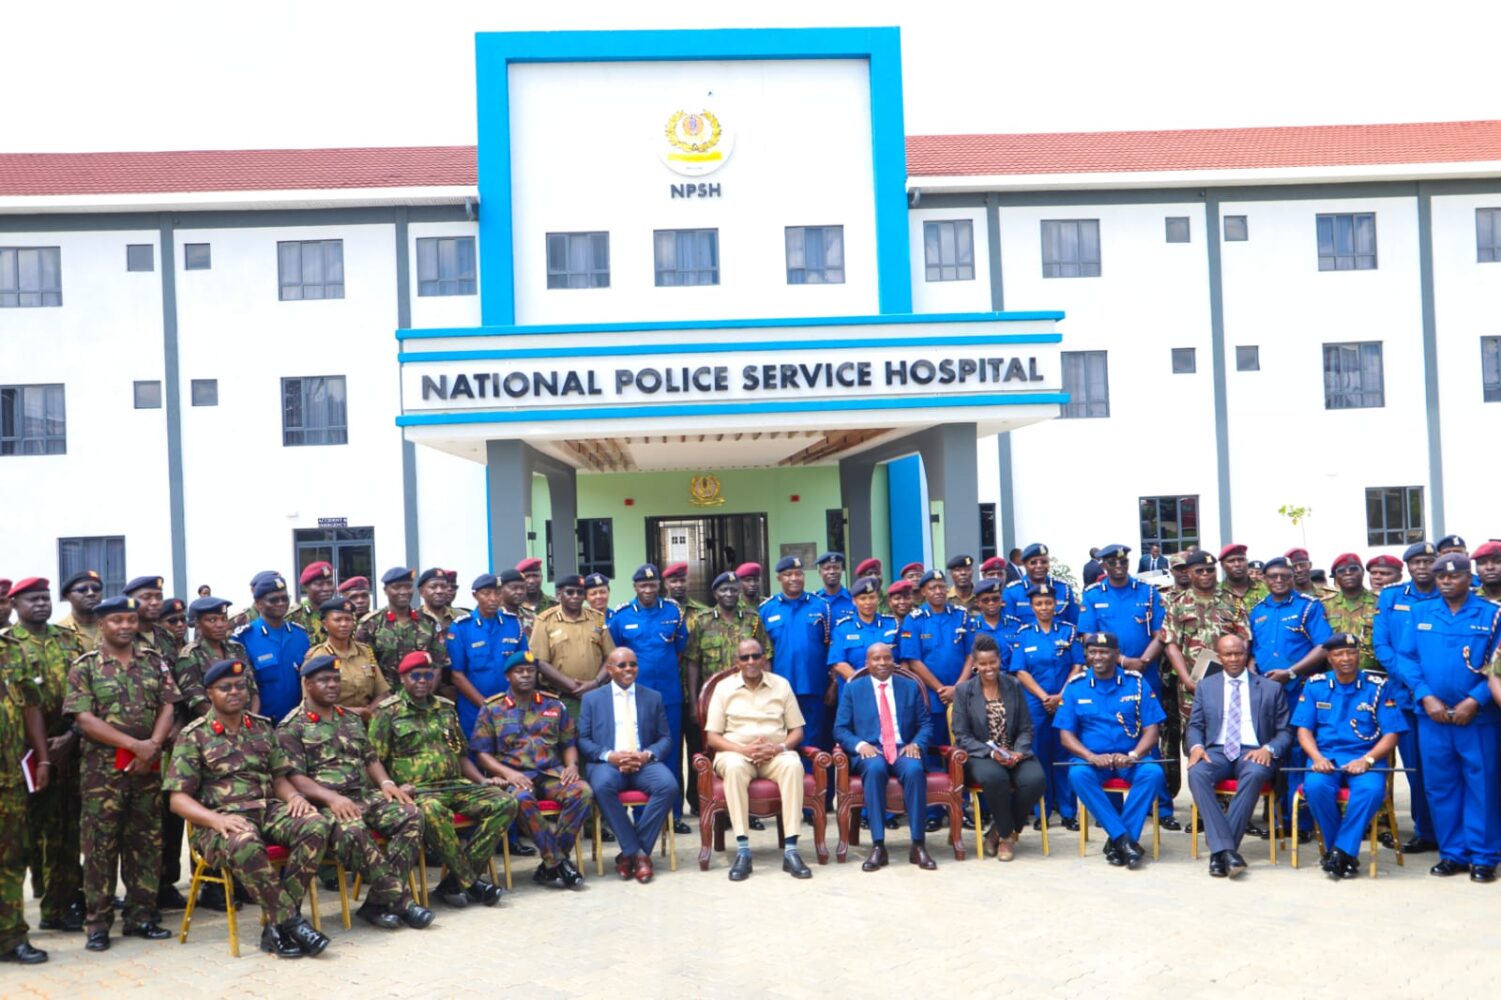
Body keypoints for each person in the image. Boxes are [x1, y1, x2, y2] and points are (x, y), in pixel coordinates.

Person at [164, 659, 332, 958]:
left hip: (266, 811)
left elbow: (279, 779)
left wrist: (294, 798)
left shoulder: (262, 727)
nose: (234, 692)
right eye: (225, 688)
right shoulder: (194, 735)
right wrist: (214, 819)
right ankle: (291, 921)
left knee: (316, 824)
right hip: (220, 821)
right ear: (209, 693)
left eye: (240, 687)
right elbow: (178, 800)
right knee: (245, 842)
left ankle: (276, 926)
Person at [276, 655, 433, 930]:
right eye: (324, 680)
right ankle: (401, 901)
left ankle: (376, 903)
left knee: (411, 815)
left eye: (336, 680)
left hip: (362, 795)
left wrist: (387, 785)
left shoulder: (350, 718)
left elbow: (371, 759)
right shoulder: (292, 726)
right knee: (352, 830)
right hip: (325, 804)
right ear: (308, 684)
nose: (332, 685)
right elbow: (295, 777)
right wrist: (332, 798)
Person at [64, 595, 180, 950]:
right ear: (102, 625)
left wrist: (154, 746)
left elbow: (168, 705)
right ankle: (97, 923)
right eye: (118, 620)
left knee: (145, 843)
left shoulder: (154, 661)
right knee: (100, 848)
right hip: (102, 774)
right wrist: (135, 746)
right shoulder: (84, 667)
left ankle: (141, 916)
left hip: (147, 769)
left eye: (130, 620)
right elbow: (84, 720)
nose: (126, 626)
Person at [368, 651, 512, 907]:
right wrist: (390, 786)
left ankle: (454, 883)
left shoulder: (445, 708)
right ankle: (470, 882)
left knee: (505, 803)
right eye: (416, 676)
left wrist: (481, 781)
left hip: (455, 785)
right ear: (403, 678)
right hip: (419, 791)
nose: (423, 681)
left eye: (428, 675)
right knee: (432, 812)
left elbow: (461, 754)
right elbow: (373, 759)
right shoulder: (387, 712)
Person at [1397, 554, 1501, 881]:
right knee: (1440, 787)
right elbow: (1407, 659)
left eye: (1454, 576)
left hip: (1477, 719)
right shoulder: (1420, 613)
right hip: (1433, 717)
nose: (1445, 580)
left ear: (1469, 578)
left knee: (1481, 786)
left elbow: (1497, 666)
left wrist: (1476, 700)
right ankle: (1453, 853)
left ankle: (1483, 856)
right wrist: (1426, 697)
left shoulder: (1492, 615)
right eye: (1441, 575)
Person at [3, 579, 85, 930]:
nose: (40, 604)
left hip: (64, 746)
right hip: (19, 753)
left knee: (64, 831)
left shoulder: (68, 640)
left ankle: (58, 906)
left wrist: (68, 739)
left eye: (44, 598)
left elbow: (82, 691)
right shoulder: (13, 644)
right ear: (16, 605)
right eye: (31, 599)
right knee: (22, 839)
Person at [472, 652, 592, 889]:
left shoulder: (554, 704)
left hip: (550, 773)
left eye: (530, 670)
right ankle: (558, 863)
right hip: (514, 776)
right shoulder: (492, 708)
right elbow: (481, 754)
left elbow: (568, 743)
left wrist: (571, 765)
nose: (526, 675)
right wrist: (508, 775)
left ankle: (551, 864)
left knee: (583, 792)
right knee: (522, 799)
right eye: (519, 671)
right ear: (508, 676)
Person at [1077, 544, 1176, 828]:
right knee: (1112, 732)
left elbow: (1161, 633)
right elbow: (1087, 636)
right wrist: (1122, 660)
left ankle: (1162, 809)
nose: (1118, 565)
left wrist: (1143, 660)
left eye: (1122, 560)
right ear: (1103, 566)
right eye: (1112, 562)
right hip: (1107, 676)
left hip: (1145, 674)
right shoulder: (1094, 595)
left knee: (1149, 737)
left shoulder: (1147, 591)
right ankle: (1113, 807)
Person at [1293, 634, 1406, 879]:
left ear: (1358, 655)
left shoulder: (1378, 686)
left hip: (1365, 758)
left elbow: (1391, 734)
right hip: (1327, 758)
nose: (1346, 658)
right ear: (1329, 658)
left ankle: (1338, 852)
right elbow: (1304, 731)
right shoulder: (1316, 685)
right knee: (1315, 788)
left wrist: (1368, 760)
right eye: (1338, 654)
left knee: (1372, 791)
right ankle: (1343, 852)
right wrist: (1317, 758)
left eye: (1351, 653)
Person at [1055, 633, 1167, 869]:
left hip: (1130, 758)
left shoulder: (1136, 683)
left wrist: (1134, 755)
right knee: (1077, 774)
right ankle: (1124, 839)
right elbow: (1066, 736)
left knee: (1153, 773)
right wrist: (1091, 757)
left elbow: (1152, 731)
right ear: (1086, 655)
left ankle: (1118, 843)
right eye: (1093, 652)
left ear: (1116, 655)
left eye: (1104, 652)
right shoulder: (1076, 687)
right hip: (1094, 759)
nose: (1098, 657)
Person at [703, 639, 812, 881]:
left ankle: (792, 850)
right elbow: (712, 737)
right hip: (736, 753)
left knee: (794, 765)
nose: (751, 661)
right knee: (732, 768)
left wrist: (778, 747)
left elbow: (797, 731)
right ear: (737, 662)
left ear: (764, 658)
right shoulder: (723, 688)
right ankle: (743, 850)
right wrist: (743, 750)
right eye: (745, 658)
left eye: (756, 656)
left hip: (775, 753)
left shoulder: (781, 685)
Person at [1185, 634, 1292, 878]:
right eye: (1228, 654)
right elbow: (1195, 725)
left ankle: (1219, 852)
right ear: (1219, 656)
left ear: (1247, 655)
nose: (1234, 659)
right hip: (1217, 751)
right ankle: (1228, 852)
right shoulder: (1206, 686)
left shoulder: (1270, 688)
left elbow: (1285, 732)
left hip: (1253, 751)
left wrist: (1269, 749)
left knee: (1255, 773)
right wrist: (1197, 748)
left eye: (1239, 654)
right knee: (1197, 772)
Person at [832, 642, 936, 871]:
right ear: (867, 663)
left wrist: (916, 743)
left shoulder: (909, 687)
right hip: (872, 749)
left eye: (886, 658)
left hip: (902, 748)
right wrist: (859, 745)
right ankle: (878, 845)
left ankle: (918, 845)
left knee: (914, 769)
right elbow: (840, 729)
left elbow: (926, 724)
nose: (882, 663)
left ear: (893, 661)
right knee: (875, 768)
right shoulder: (853, 689)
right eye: (876, 659)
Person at [578, 647, 678, 884]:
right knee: (601, 787)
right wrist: (610, 756)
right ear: (609, 669)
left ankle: (630, 853)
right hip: (609, 764)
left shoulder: (653, 697)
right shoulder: (592, 699)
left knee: (668, 786)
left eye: (633, 664)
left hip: (643, 762)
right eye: (622, 665)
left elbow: (666, 739)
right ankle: (639, 855)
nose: (628, 669)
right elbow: (583, 740)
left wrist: (646, 755)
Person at [1160, 550, 1249, 805]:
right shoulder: (1178, 604)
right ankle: (1203, 806)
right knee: (1196, 744)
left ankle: (1231, 804)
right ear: (1188, 573)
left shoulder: (1232, 601)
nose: (1206, 575)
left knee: (1230, 739)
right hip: (1193, 687)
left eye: (1210, 570)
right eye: (1199, 570)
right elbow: (1171, 643)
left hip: (1230, 685)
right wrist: (1186, 678)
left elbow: (1244, 641)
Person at [1371, 541, 1441, 853]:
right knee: (1415, 769)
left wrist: (1428, 683)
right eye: (1417, 562)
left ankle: (1449, 831)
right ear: (1408, 567)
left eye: (1428, 561)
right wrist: (1408, 677)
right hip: (1403, 695)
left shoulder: (1449, 594)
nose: (1423, 567)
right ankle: (1424, 831)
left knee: (1441, 767)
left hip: (1440, 697)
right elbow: (1382, 644)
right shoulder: (1392, 596)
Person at [950, 633, 1044, 861]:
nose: (988, 668)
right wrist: (992, 752)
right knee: (995, 778)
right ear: (974, 664)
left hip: (1014, 751)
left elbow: (1025, 726)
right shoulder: (964, 691)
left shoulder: (1013, 685)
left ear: (999, 660)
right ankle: (1006, 836)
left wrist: (1019, 752)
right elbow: (961, 735)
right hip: (981, 755)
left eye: (992, 662)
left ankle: (998, 832)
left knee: (1036, 779)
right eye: (982, 664)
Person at [609, 564, 689, 830]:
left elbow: (679, 650)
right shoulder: (620, 617)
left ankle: (674, 815)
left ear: (659, 586)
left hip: (669, 694)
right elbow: (617, 656)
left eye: (652, 585)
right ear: (635, 587)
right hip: (635, 699)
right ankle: (644, 816)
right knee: (640, 752)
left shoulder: (673, 612)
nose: (648, 589)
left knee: (671, 753)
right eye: (642, 585)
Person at [683, 571, 769, 818]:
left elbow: (766, 657)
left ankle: (748, 808)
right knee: (707, 752)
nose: (729, 594)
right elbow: (692, 662)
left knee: (745, 747)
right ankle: (704, 804)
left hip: (747, 697)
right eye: (724, 590)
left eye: (733, 589)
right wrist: (693, 702)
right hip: (712, 700)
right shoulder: (702, 621)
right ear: (715, 594)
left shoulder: (752, 620)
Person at [1008, 584, 1083, 831]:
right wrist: (1044, 697)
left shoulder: (1069, 632)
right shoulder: (1023, 634)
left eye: (1048, 603)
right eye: (1039, 604)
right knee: (1038, 757)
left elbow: (1077, 666)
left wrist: (1060, 696)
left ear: (1056, 604)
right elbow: (1020, 670)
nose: (1044, 608)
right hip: (1035, 704)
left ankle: (1069, 811)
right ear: (1032, 607)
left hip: (1066, 701)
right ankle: (1043, 811)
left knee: (1065, 755)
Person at [0, 625, 51, 964]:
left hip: (8, 778)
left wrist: (43, 757)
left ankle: (11, 937)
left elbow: (30, 707)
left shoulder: (13, 650)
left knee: (11, 858)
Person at [758, 555, 831, 767]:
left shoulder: (821, 606)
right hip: (779, 691)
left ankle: (814, 799)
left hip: (814, 688)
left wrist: (832, 685)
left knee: (814, 746)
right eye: (788, 574)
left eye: (798, 574)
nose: (794, 578)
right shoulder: (767, 609)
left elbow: (831, 647)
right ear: (779, 578)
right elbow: (763, 653)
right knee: (782, 746)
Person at [445, 572, 530, 740]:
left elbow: (525, 663)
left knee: (512, 754)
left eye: (497, 593)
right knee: (477, 754)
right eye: (486, 593)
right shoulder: (462, 627)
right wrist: (486, 705)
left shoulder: (513, 623)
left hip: (511, 706)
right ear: (475, 595)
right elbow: (457, 675)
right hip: (474, 709)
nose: (493, 598)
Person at [528, 573, 614, 719]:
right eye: (570, 592)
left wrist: (595, 683)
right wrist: (573, 687)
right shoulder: (544, 621)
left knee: (599, 738)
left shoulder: (597, 618)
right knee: (567, 741)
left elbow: (610, 656)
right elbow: (540, 662)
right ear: (558, 595)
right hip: (561, 697)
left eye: (580, 592)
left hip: (596, 694)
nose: (575, 596)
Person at [235, 573, 311, 724]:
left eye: (284, 598)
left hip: (299, 724)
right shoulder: (245, 638)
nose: (281, 603)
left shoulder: (300, 635)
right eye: (273, 600)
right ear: (259, 604)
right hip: (263, 724)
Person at [357, 567, 449, 690]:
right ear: (385, 590)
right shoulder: (370, 624)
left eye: (408, 587)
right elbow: (363, 667)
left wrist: (426, 696)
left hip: (423, 698)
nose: (404, 591)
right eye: (397, 587)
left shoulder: (428, 622)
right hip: (385, 701)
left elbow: (438, 665)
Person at [304, 597, 388, 718]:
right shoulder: (316, 656)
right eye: (337, 620)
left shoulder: (365, 651)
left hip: (368, 722)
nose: (344, 624)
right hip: (334, 725)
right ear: (325, 624)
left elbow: (382, 692)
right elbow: (310, 703)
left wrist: (369, 712)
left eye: (348, 619)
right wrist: (355, 713)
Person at [177, 596, 258, 717]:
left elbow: (253, 691)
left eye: (223, 619)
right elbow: (198, 703)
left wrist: (250, 720)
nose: (220, 625)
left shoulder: (237, 649)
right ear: (199, 624)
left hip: (246, 725)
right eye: (212, 620)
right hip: (212, 729)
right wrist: (230, 722)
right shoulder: (191, 656)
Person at [827, 576, 899, 697]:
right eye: (863, 598)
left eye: (872, 597)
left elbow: (903, 661)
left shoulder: (892, 624)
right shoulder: (843, 628)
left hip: (889, 692)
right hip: (856, 694)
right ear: (854, 601)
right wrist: (866, 686)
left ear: (878, 599)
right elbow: (838, 663)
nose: (868, 602)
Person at [1322, 553, 1380, 673]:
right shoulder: (1324, 605)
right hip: (1336, 676)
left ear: (1363, 572)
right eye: (1341, 571)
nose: (1348, 573)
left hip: (1374, 674)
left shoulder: (1380, 602)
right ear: (1336, 577)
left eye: (1353, 569)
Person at [1002, 544, 1078, 627]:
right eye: (1033, 563)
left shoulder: (1063, 588)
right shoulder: (1012, 592)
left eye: (1044, 562)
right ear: (1025, 564)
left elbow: (1073, 623)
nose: (1039, 566)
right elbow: (1009, 627)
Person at [125, 576, 179, 661]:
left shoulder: (167, 636)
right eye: (146, 597)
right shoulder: (122, 638)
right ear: (130, 602)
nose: (155, 602)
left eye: (159, 597)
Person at [288, 562, 336, 646]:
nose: (326, 588)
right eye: (319, 584)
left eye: (329, 583)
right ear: (306, 587)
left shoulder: (340, 612)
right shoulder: (293, 616)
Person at [58, 569, 104, 653]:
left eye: (96, 589)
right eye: (82, 590)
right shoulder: (59, 632)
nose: (91, 593)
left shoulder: (114, 626)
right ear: (68, 596)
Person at [1219, 543, 1268, 610]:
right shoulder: (1215, 593)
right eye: (1231, 561)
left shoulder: (1267, 590)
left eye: (1241, 560)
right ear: (1222, 565)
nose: (1237, 564)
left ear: (1247, 562)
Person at [662, 562, 711, 626]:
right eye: (674, 581)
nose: (679, 585)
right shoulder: (657, 611)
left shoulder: (703, 611)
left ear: (688, 583)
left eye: (682, 581)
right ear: (666, 584)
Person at [814, 552, 855, 624]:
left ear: (842, 570)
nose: (832, 572)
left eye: (836, 568)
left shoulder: (853, 599)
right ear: (820, 572)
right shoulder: (814, 600)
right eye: (827, 568)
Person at [517, 556, 557, 626]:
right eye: (527, 576)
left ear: (541, 578)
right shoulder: (513, 607)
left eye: (535, 576)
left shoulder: (555, 605)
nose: (531, 581)